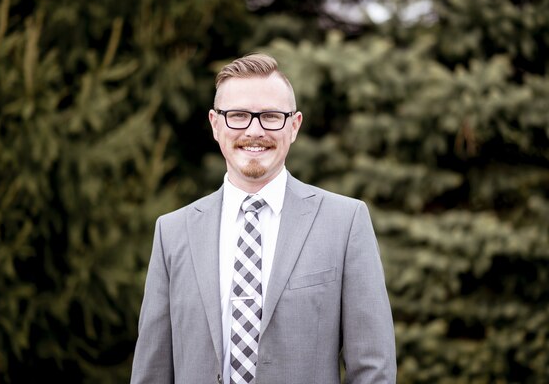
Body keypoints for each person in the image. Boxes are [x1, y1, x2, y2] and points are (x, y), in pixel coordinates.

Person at [130, 53, 396, 383]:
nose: (254, 131)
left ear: (294, 125)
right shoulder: (172, 232)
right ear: (215, 124)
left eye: (271, 116)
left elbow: (374, 369)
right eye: (238, 115)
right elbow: (151, 372)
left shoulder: (345, 223)